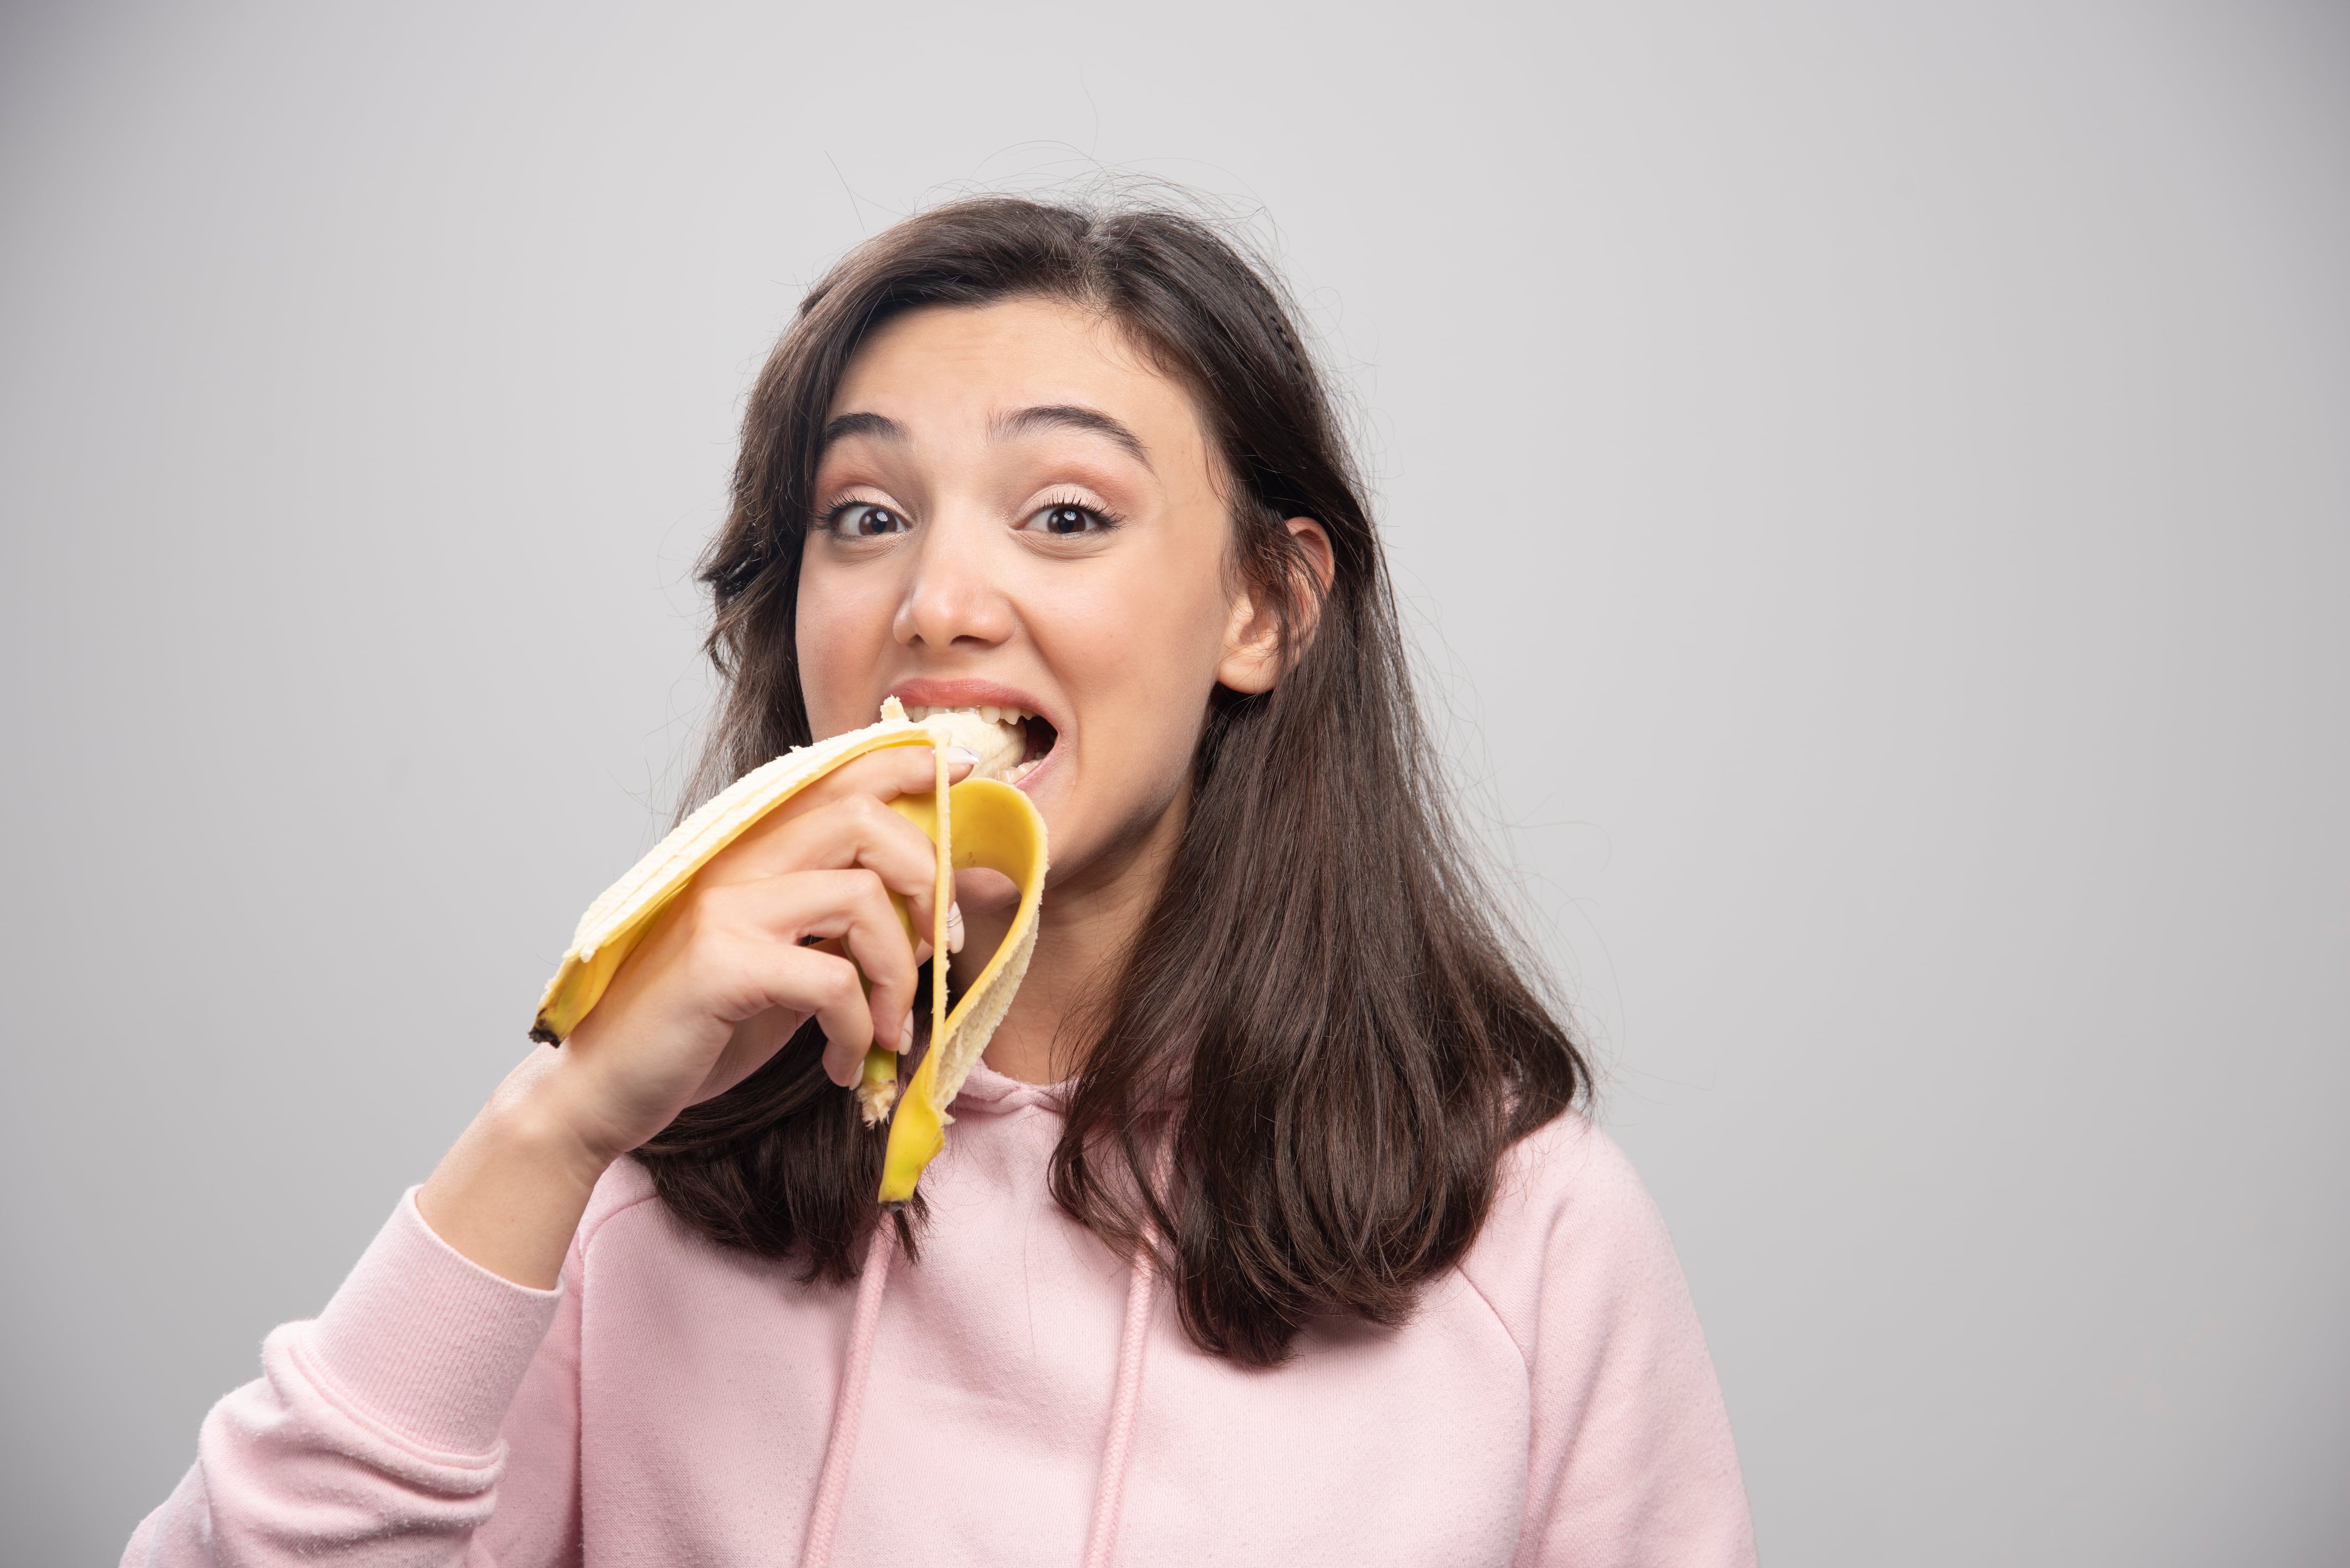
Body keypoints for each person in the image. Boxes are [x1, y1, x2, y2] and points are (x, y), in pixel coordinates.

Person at [124, 195, 1756, 1567]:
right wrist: (554, 1120)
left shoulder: (1530, 1233)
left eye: (1066, 514)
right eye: (865, 515)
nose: (938, 599)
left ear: (1264, 605)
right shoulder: (629, 1204)